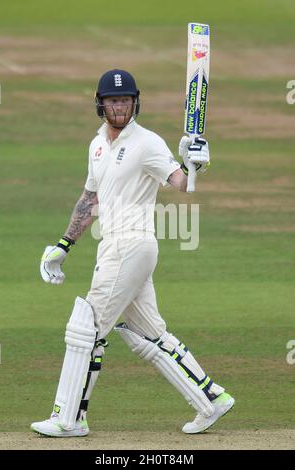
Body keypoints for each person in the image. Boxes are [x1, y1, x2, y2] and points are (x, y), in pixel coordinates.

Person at [31, 69, 234, 437]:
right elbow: (89, 199)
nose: (119, 105)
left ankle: (69, 418)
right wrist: (63, 245)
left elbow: (181, 184)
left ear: (135, 102)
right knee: (147, 334)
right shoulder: (96, 145)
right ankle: (211, 398)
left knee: (86, 327)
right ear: (101, 103)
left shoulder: (148, 142)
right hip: (115, 245)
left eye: (125, 100)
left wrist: (195, 163)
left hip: (131, 243)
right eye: (113, 100)